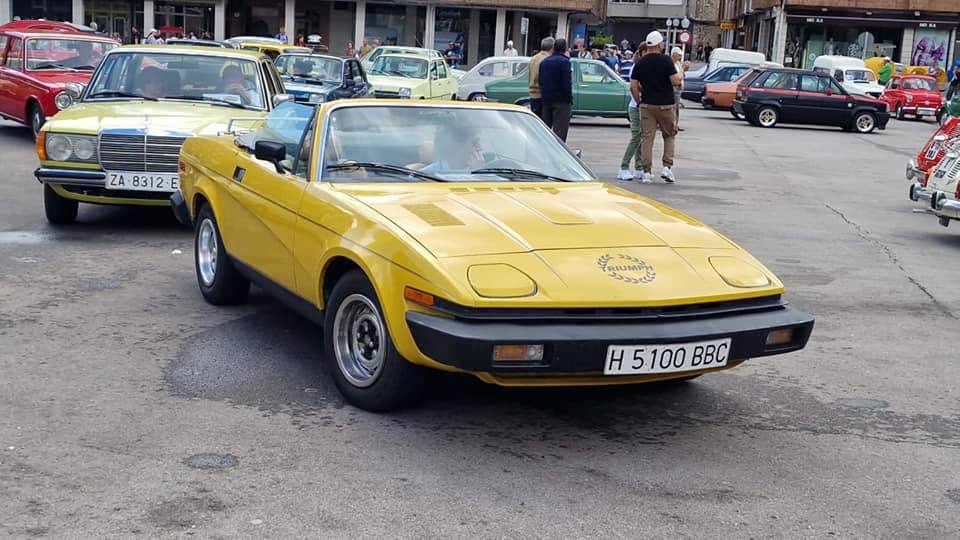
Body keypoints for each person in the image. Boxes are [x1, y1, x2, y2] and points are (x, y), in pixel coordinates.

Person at [633, 31, 682, 183]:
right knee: (669, 135)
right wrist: (681, 73)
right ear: (660, 44)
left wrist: (639, 101)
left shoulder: (640, 63)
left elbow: (633, 86)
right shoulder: (666, 61)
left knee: (647, 138)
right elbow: (675, 81)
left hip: (647, 105)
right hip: (666, 104)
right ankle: (667, 167)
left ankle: (646, 172)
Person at [618, 44, 646, 181]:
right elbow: (634, 86)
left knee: (641, 137)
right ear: (641, 53)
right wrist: (639, 101)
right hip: (635, 106)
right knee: (636, 136)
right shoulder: (636, 67)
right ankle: (624, 166)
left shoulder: (644, 66)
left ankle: (639, 167)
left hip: (642, 105)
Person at [538, 38, 573, 142]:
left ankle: (544, 147)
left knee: (546, 129)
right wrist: (569, 99)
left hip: (547, 100)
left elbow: (541, 81)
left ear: (554, 48)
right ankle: (557, 149)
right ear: (565, 48)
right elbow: (566, 83)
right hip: (561, 101)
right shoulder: (565, 62)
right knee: (560, 131)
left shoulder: (544, 62)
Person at [528, 37, 554, 120]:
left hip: (533, 94)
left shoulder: (534, 58)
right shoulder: (547, 60)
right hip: (542, 94)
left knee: (536, 121)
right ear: (552, 48)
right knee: (544, 122)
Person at [671, 47, 685, 130]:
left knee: (676, 108)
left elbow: (682, 74)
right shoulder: (670, 64)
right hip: (674, 88)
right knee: (673, 107)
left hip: (678, 88)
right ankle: (673, 124)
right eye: (679, 55)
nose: (680, 57)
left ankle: (675, 123)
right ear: (674, 54)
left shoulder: (678, 64)